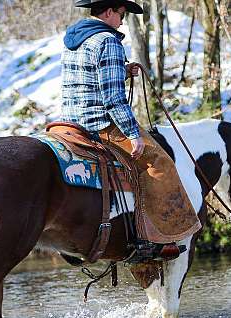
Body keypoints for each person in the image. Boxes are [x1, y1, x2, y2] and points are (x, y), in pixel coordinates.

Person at [61, 0, 202, 256]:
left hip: (70, 121)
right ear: (108, 11)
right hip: (99, 122)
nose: (123, 20)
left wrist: (122, 70)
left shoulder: (75, 38)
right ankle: (163, 238)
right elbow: (113, 99)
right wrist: (133, 134)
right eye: (121, 14)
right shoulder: (107, 41)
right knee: (159, 162)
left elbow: (90, 74)